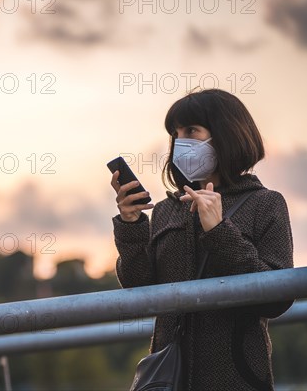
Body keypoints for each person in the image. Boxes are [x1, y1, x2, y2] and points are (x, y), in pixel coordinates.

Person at [111, 88, 294, 390]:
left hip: (237, 379)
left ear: (226, 133)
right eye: (176, 133)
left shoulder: (266, 204)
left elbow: (277, 299)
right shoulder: (168, 210)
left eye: (192, 130)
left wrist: (219, 231)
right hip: (170, 378)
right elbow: (139, 290)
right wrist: (131, 226)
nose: (181, 142)